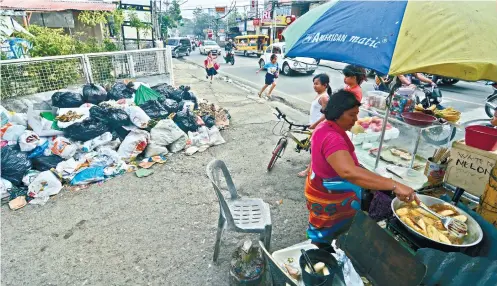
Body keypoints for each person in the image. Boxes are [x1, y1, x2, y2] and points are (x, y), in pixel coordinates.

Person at [305, 89, 418, 246]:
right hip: (330, 198)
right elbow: (348, 171)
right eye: (351, 115)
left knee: (326, 232)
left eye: (356, 114)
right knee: (326, 236)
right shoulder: (332, 137)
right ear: (337, 113)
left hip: (322, 190)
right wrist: (394, 185)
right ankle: (322, 255)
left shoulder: (325, 126)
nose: (355, 119)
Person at [297, 73, 332, 177]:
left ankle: (308, 170)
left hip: (320, 128)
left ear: (325, 85)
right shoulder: (319, 95)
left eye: (317, 84)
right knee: (314, 149)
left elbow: (327, 115)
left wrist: (315, 124)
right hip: (315, 126)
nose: (314, 86)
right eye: (314, 83)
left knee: (315, 151)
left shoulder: (324, 97)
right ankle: (312, 165)